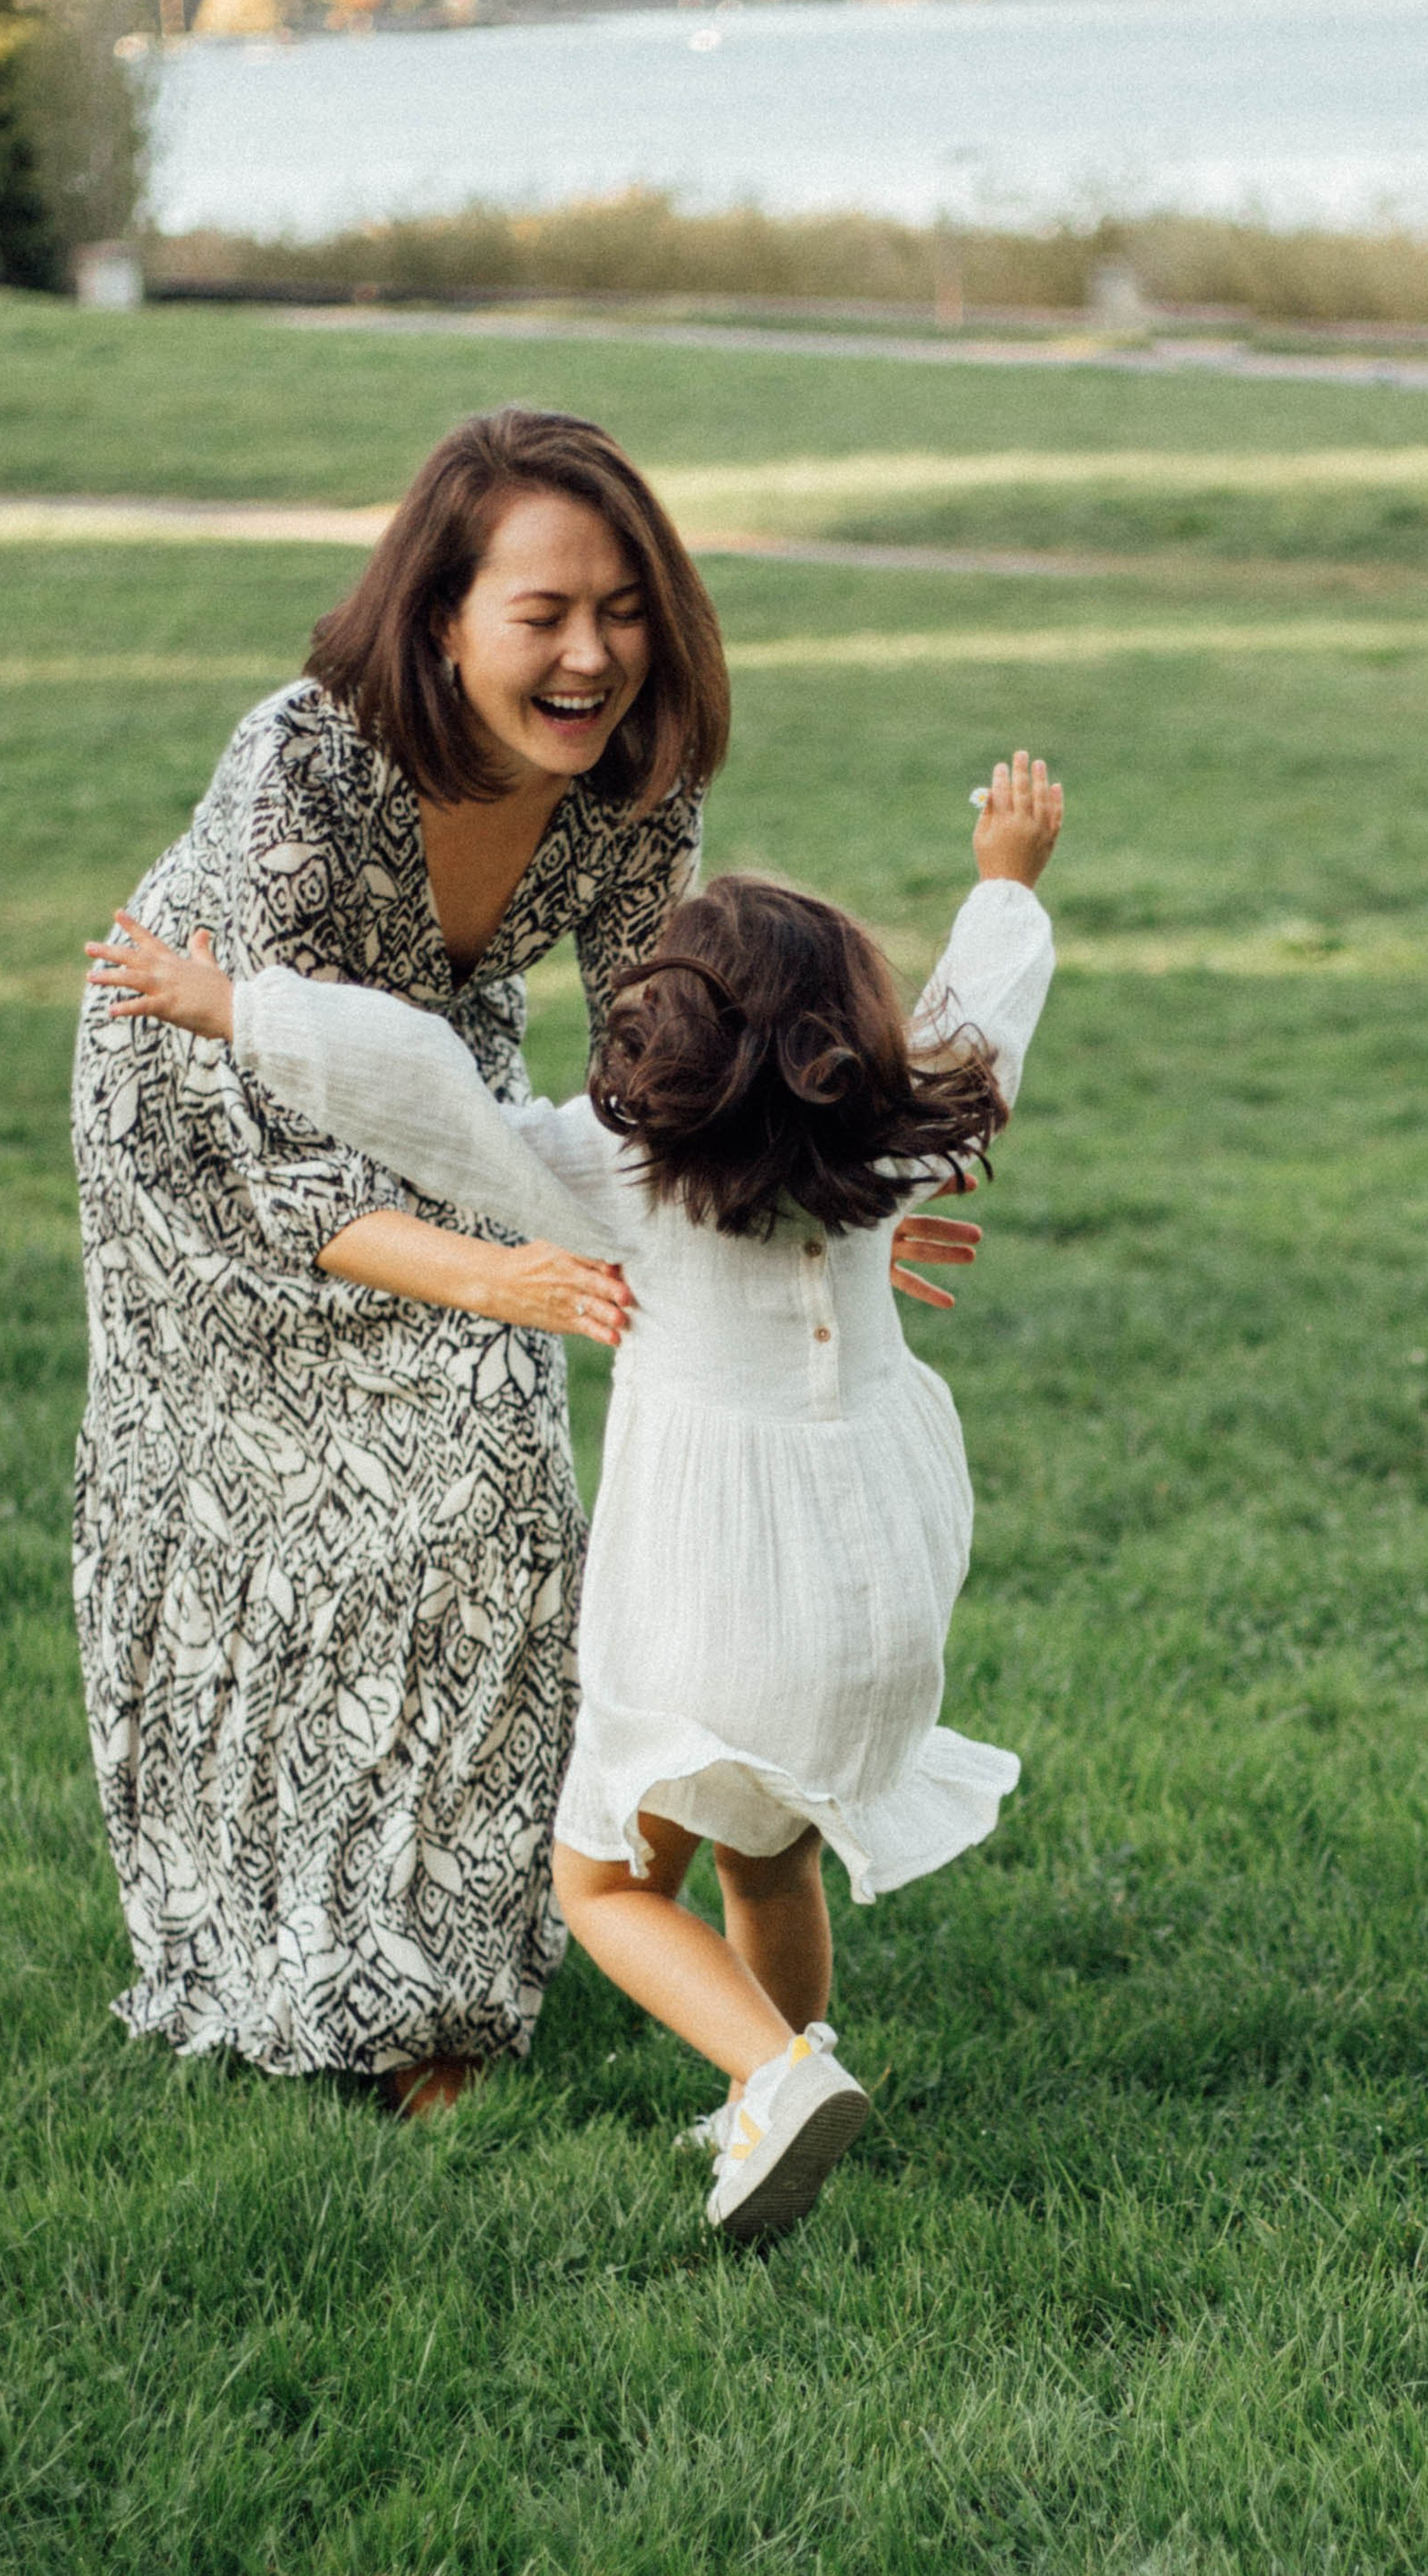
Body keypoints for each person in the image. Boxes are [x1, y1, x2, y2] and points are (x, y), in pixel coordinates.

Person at [69, 407, 986, 2114]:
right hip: (206, 1119)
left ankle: (441, 2005)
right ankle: (273, 1943)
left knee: (490, 1529)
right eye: (544, 612)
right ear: (438, 618)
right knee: (265, 1545)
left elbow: (675, 1069)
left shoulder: (642, 774)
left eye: (627, 608)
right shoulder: (304, 768)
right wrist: (499, 1278)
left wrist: (810, 1203)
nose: (592, 656)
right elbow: (273, 1131)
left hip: (461, 1115)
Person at [88, 749, 1063, 2238]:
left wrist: (239, 1007)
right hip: (874, 1594)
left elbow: (426, 1095)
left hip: (711, 1600)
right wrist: (1004, 877)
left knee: (604, 1884)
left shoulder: (617, 1168)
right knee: (769, 1846)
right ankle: (769, 2087)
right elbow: (981, 1019)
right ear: (849, 1046)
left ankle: (776, 2069)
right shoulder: (892, 1141)